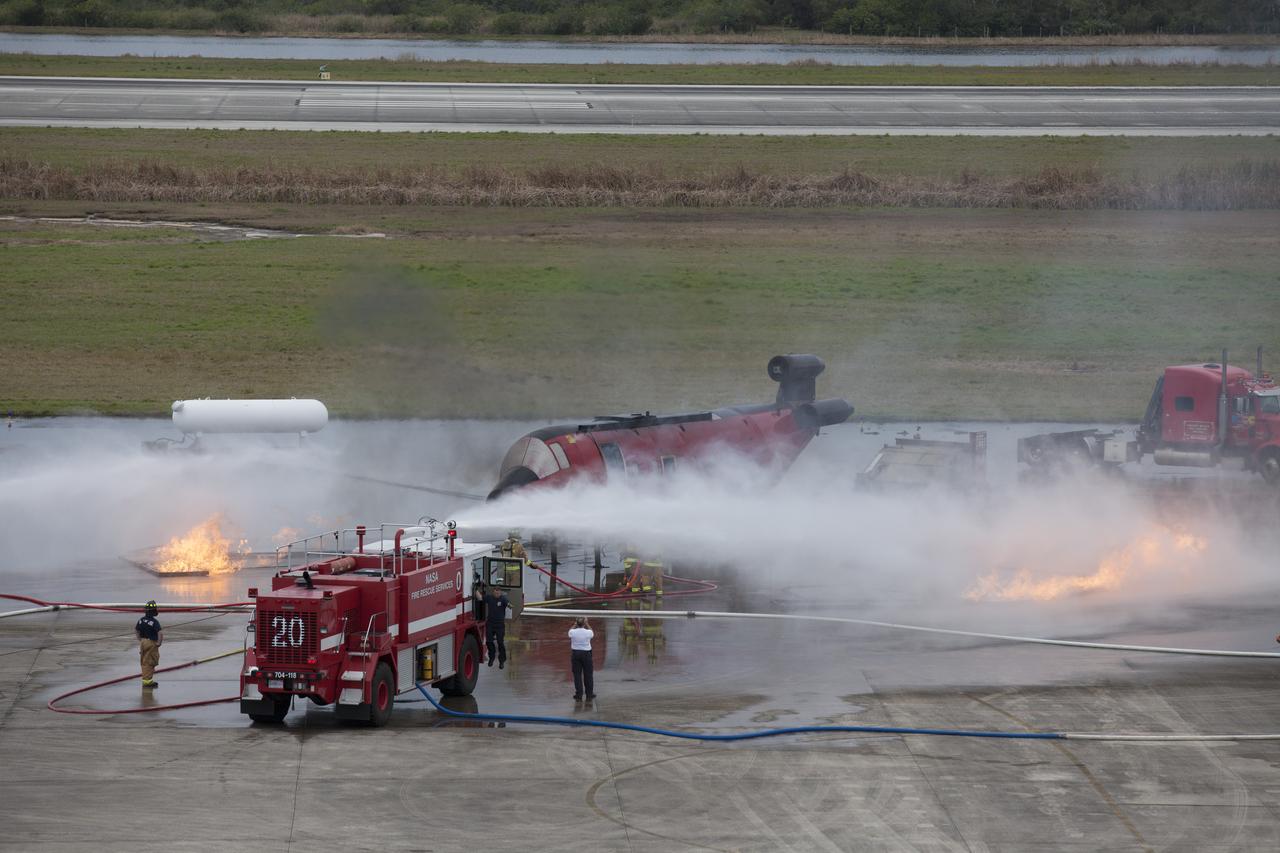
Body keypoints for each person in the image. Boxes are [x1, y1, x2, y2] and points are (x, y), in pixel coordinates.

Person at [135, 600, 163, 688]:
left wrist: (140, 640)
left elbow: (136, 630)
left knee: (144, 661)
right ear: (154, 611)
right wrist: (159, 643)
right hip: (151, 643)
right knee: (150, 662)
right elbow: (160, 633)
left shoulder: (141, 620)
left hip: (143, 642)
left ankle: (147, 680)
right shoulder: (154, 622)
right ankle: (147, 682)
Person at [569, 616, 595, 701]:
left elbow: (570, 631)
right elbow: (592, 632)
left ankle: (579, 694)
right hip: (586, 654)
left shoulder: (572, 632)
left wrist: (574, 624)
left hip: (575, 654)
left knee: (577, 675)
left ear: (577, 623)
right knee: (588, 675)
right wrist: (587, 623)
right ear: (584, 623)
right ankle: (589, 694)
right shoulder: (588, 632)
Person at [484, 586, 510, 669]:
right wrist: (475, 590)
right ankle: (491, 658)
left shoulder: (503, 599)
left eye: (498, 592)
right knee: (489, 641)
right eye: (495, 592)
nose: (497, 593)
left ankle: (501, 661)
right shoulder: (489, 598)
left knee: (500, 643)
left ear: (500, 592)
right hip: (490, 624)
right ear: (493, 592)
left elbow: (508, 603)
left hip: (499, 625)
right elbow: (480, 598)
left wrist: (510, 605)